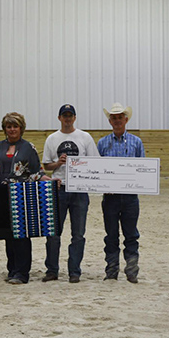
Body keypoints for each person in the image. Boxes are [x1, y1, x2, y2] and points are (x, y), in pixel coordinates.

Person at [0, 112, 50, 284]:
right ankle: (12, 269)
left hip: (22, 195)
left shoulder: (29, 148)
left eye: (15, 126)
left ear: (21, 128)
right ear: (4, 128)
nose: (12, 129)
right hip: (0, 194)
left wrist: (51, 181)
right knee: (8, 233)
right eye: (9, 126)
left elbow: (37, 173)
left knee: (22, 234)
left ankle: (22, 273)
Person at [42, 104, 100, 283]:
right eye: (64, 115)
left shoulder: (85, 137)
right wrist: (58, 163)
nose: (67, 118)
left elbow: (95, 162)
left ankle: (74, 271)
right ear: (59, 118)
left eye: (70, 115)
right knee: (53, 232)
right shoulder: (52, 139)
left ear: (75, 117)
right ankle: (52, 270)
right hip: (58, 189)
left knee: (78, 234)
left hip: (80, 190)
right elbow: (46, 166)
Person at [98, 103, 145, 283]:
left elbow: (142, 168)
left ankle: (132, 269)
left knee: (131, 233)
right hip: (110, 197)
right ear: (110, 121)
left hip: (130, 196)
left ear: (125, 120)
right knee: (111, 234)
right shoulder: (102, 143)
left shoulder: (136, 142)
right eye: (114, 118)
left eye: (120, 117)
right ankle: (112, 269)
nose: (117, 121)